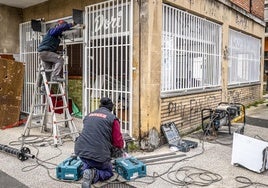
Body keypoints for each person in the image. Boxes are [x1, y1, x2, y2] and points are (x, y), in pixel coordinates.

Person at [74, 97, 124, 188]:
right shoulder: (112, 119)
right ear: (111, 109)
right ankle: (94, 174)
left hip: (81, 152)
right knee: (109, 172)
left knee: (89, 161)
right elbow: (118, 142)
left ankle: (87, 171)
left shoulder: (89, 115)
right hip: (98, 156)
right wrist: (120, 150)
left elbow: (90, 133)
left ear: (100, 106)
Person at [37, 20, 74, 84]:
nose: (63, 31)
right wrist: (71, 24)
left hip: (44, 54)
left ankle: (43, 89)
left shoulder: (55, 36)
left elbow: (50, 46)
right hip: (45, 52)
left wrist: (56, 52)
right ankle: (55, 76)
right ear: (59, 26)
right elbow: (60, 28)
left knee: (47, 72)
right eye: (63, 28)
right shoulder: (53, 30)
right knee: (60, 59)